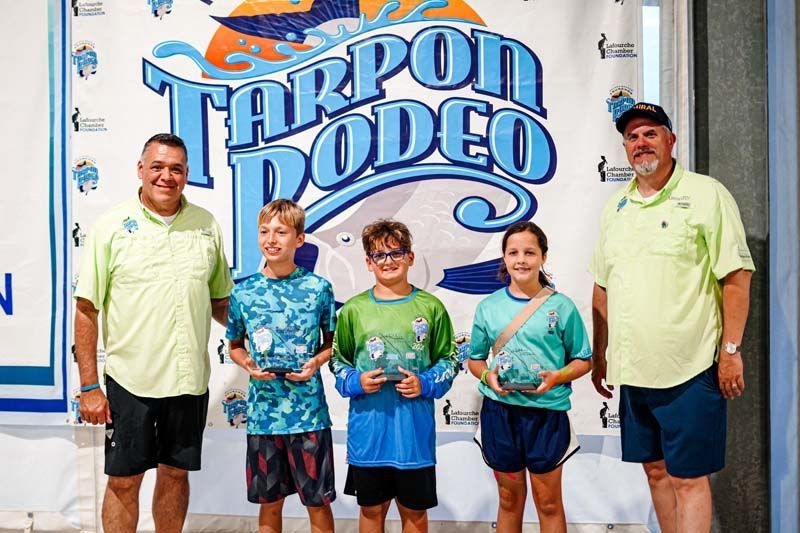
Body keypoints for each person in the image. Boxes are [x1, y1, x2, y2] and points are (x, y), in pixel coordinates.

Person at [590, 102, 754, 533]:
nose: (640, 143)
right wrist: (600, 353)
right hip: (634, 370)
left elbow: (736, 276)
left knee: (687, 477)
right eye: (632, 136)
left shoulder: (706, 194)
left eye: (650, 134)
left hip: (691, 368)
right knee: (656, 472)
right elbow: (602, 287)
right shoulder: (615, 208)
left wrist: (731, 351)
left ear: (670, 140)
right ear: (624, 148)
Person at [73, 133, 233, 533]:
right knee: (125, 481)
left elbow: (220, 302)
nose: (167, 176)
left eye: (176, 169)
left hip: (188, 383)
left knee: (176, 475)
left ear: (186, 175)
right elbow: (87, 309)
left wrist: (266, 332)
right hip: (131, 382)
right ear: (140, 170)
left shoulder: (205, 225)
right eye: (157, 167)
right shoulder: (110, 227)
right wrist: (90, 386)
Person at [330, 219, 458, 533]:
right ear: (368, 262)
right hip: (369, 436)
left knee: (414, 514)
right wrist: (355, 382)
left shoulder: (431, 307)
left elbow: (449, 360)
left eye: (396, 253)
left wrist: (425, 383)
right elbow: (337, 362)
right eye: (379, 255)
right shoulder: (353, 310)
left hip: (413, 436)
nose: (388, 261)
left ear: (410, 257)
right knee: (371, 511)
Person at [468, 221, 591, 533]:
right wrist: (488, 379)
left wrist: (557, 376)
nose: (521, 259)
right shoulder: (488, 307)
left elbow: (583, 360)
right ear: (504, 259)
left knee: (548, 502)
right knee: (509, 500)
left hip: (547, 415)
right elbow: (475, 359)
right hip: (501, 414)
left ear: (543, 257)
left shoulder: (561, 306)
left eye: (529, 252)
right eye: (513, 252)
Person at [226, 199, 337, 533]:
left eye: (281, 232)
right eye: (264, 231)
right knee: (269, 505)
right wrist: (249, 365)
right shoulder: (243, 292)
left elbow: (331, 344)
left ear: (299, 239)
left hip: (309, 415)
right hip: (263, 418)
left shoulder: (318, 288)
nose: (271, 239)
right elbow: (234, 346)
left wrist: (313, 364)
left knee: (317, 503)